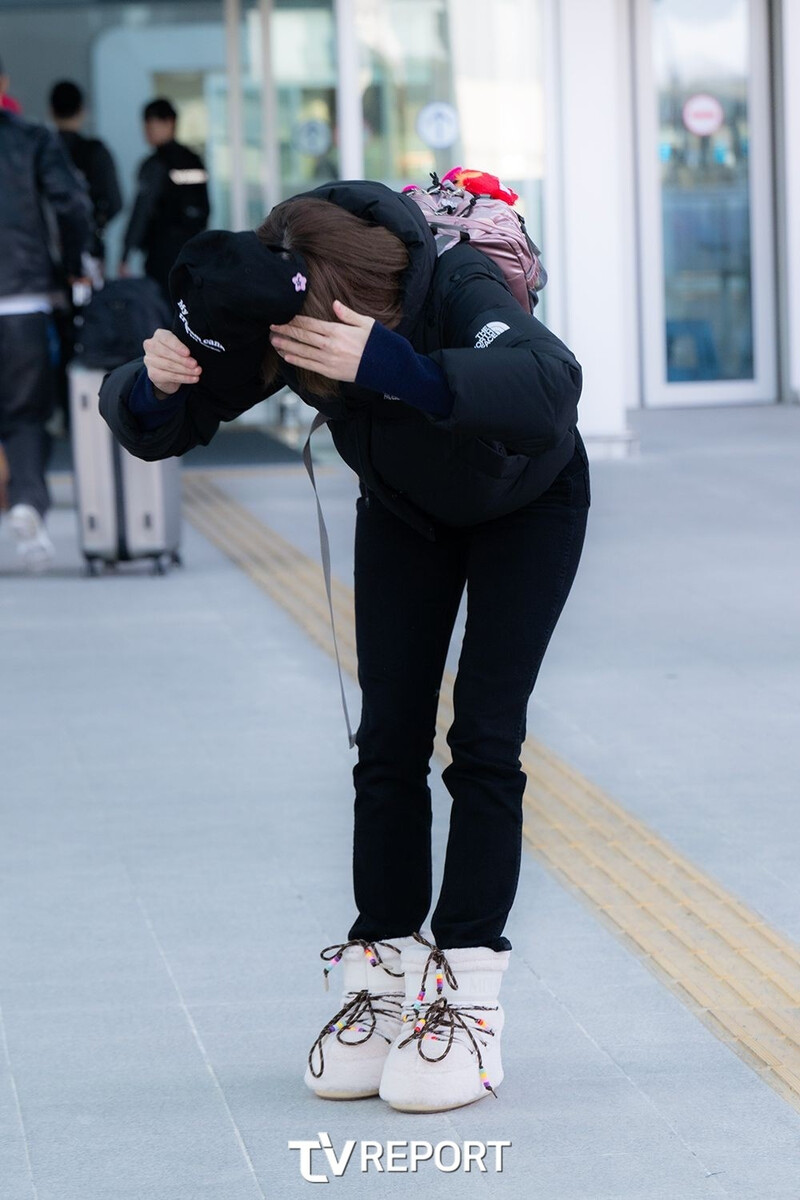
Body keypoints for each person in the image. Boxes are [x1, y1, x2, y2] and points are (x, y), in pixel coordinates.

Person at [98, 179, 589, 1112]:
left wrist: (392, 363)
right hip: (406, 511)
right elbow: (168, 426)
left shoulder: (458, 282)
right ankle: (382, 968)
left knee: (484, 739)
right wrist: (153, 384)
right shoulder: (296, 307)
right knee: (387, 743)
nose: (310, 366)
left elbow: (548, 383)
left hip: (529, 505)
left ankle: (466, 994)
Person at [0, 62, 91, 570]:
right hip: (21, 304)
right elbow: (72, 205)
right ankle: (27, 504)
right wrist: (76, 267)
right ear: (4, 86)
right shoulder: (31, 139)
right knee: (26, 415)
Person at [120, 98, 209, 299]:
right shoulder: (194, 160)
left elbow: (141, 211)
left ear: (169, 122)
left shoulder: (154, 164)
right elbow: (204, 209)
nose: (147, 131)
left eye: (152, 125)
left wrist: (125, 253)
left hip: (161, 253)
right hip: (191, 251)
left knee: (162, 308)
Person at [49, 80, 122, 265]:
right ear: (82, 110)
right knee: (91, 294)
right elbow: (115, 201)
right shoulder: (96, 151)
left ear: (51, 111)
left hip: (46, 251)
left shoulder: (41, 153)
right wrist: (97, 225)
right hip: (89, 248)